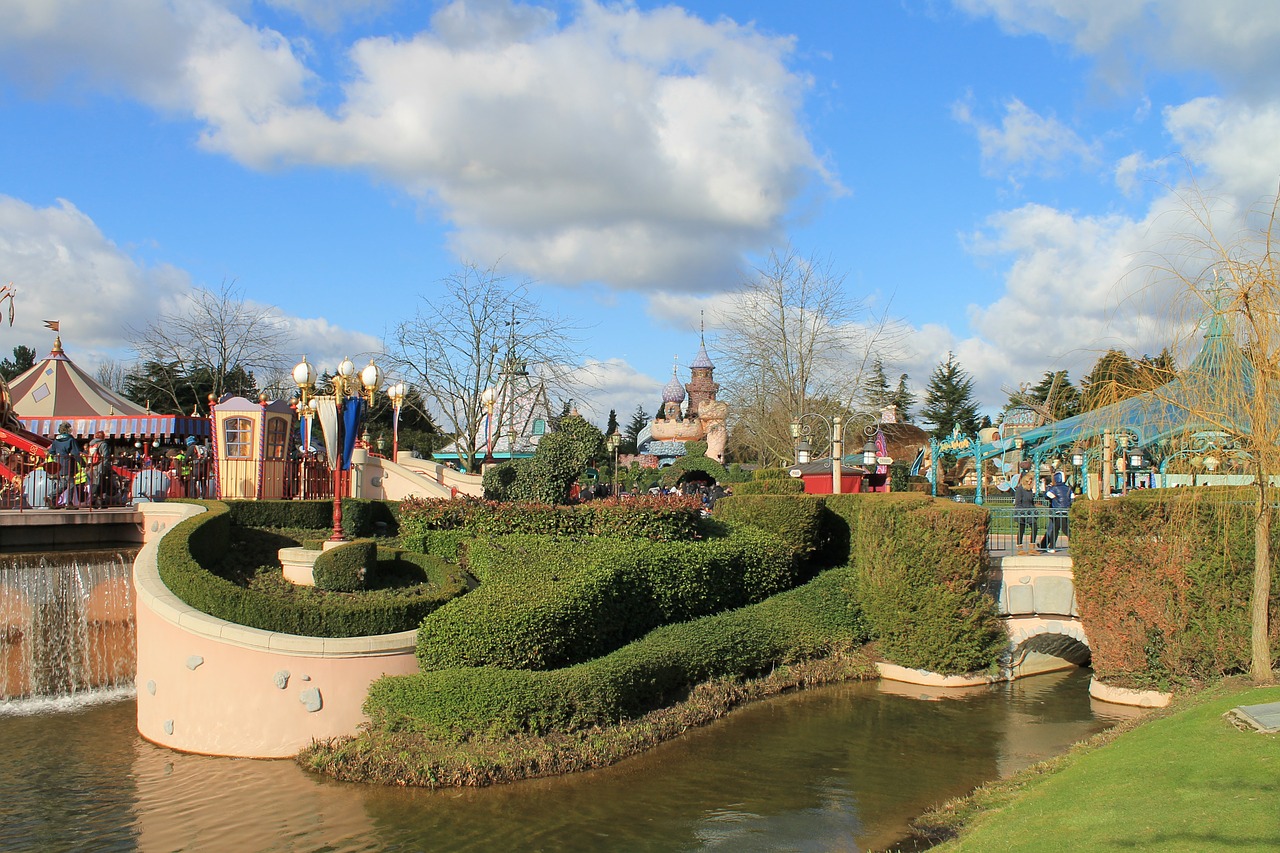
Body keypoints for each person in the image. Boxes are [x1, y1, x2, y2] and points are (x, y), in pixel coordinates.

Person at [48, 422, 82, 508]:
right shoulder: (70, 440)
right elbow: (75, 452)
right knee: (70, 484)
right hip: (68, 464)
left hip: (59, 464)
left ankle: (52, 498)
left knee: (63, 484)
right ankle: (68, 502)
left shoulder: (56, 441)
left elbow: (51, 451)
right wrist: (82, 463)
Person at [1039, 470, 1073, 553]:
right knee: (1061, 529)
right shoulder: (1068, 488)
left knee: (1060, 530)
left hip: (1057, 511)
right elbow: (1072, 498)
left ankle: (1052, 547)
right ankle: (1051, 546)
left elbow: (1046, 496)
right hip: (1066, 511)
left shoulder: (1054, 488)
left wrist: (1048, 490)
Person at [1013, 472, 1037, 555]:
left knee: (1034, 527)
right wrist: (1022, 512)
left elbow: (1031, 502)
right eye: (1029, 480)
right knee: (1021, 529)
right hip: (1022, 512)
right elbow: (1018, 502)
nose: (1030, 481)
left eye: (1031, 480)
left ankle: (1032, 548)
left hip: (1030, 512)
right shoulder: (1020, 489)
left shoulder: (1029, 490)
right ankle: (1019, 548)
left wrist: (1035, 510)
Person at [86, 431, 112, 507]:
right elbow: (105, 456)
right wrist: (105, 466)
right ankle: (96, 500)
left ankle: (95, 500)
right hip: (99, 465)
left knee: (94, 483)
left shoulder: (91, 444)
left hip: (92, 466)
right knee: (100, 483)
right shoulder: (103, 444)